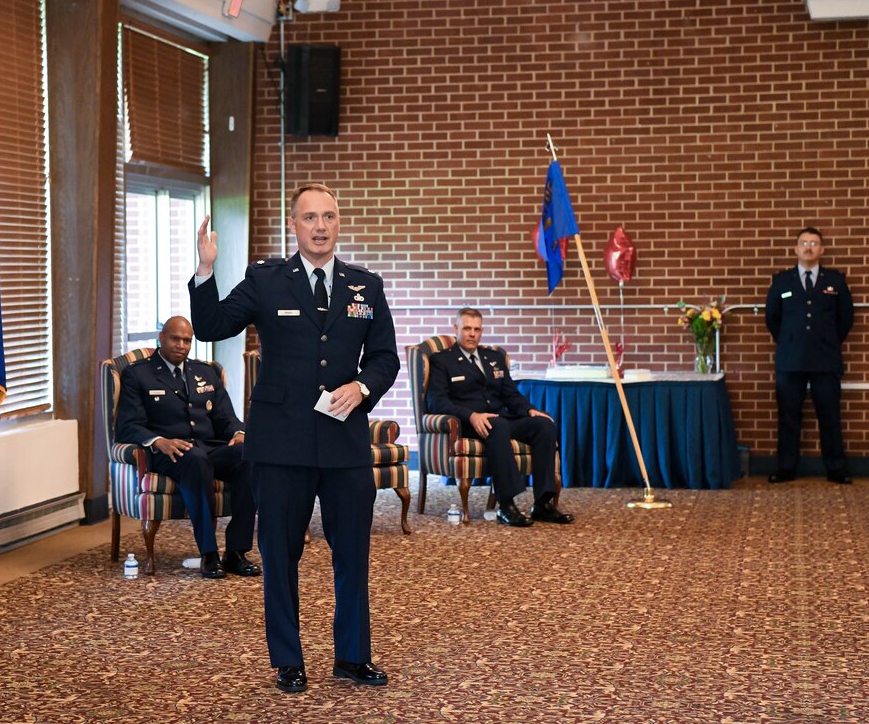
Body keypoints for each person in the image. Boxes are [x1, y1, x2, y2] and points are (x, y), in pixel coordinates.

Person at [189, 183, 400, 694]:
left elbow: (385, 358)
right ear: (294, 224)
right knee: (281, 554)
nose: (320, 226)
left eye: (328, 216)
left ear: (339, 222)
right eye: (310, 217)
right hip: (281, 443)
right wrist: (205, 269)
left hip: (344, 441)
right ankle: (288, 659)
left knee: (352, 552)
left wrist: (362, 385)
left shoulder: (364, 286)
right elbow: (212, 325)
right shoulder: (266, 280)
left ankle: (352, 655)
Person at [114, 316, 260, 579]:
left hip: (206, 448)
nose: (181, 345)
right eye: (175, 338)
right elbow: (127, 426)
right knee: (194, 459)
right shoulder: (138, 374)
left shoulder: (206, 372)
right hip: (167, 453)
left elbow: (226, 418)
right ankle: (209, 554)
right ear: (161, 338)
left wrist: (239, 433)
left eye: (187, 340)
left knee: (248, 456)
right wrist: (158, 441)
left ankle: (236, 552)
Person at [426, 308, 575, 527]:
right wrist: (472, 415)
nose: (472, 334)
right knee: (497, 425)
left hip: (500, 421)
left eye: (476, 329)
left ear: (482, 331)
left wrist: (529, 410)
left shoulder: (493, 357)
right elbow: (437, 401)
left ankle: (543, 503)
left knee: (543, 425)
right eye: (467, 328)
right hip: (467, 423)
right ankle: (506, 506)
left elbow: (510, 394)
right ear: (456, 329)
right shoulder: (442, 360)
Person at [765, 226, 854, 484]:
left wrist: (827, 340)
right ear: (796, 248)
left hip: (825, 358)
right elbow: (772, 317)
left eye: (814, 243)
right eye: (804, 243)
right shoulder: (782, 280)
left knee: (829, 415)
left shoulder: (835, 281)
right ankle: (785, 468)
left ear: (821, 249)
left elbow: (845, 318)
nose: (808, 247)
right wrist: (789, 340)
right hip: (790, 358)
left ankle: (836, 469)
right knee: (788, 416)